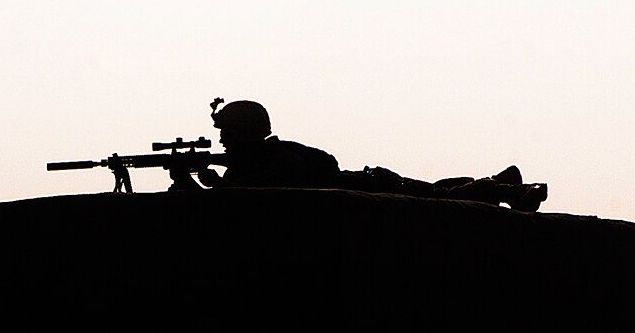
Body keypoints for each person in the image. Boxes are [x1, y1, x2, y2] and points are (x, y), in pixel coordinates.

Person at [195, 99, 548, 212]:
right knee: (435, 190)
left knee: (437, 197)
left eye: (227, 132)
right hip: (367, 180)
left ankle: (507, 191)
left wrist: (210, 186)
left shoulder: (269, 158)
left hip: (365, 185)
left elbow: (261, 195)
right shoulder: (269, 154)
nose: (223, 140)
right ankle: (501, 183)